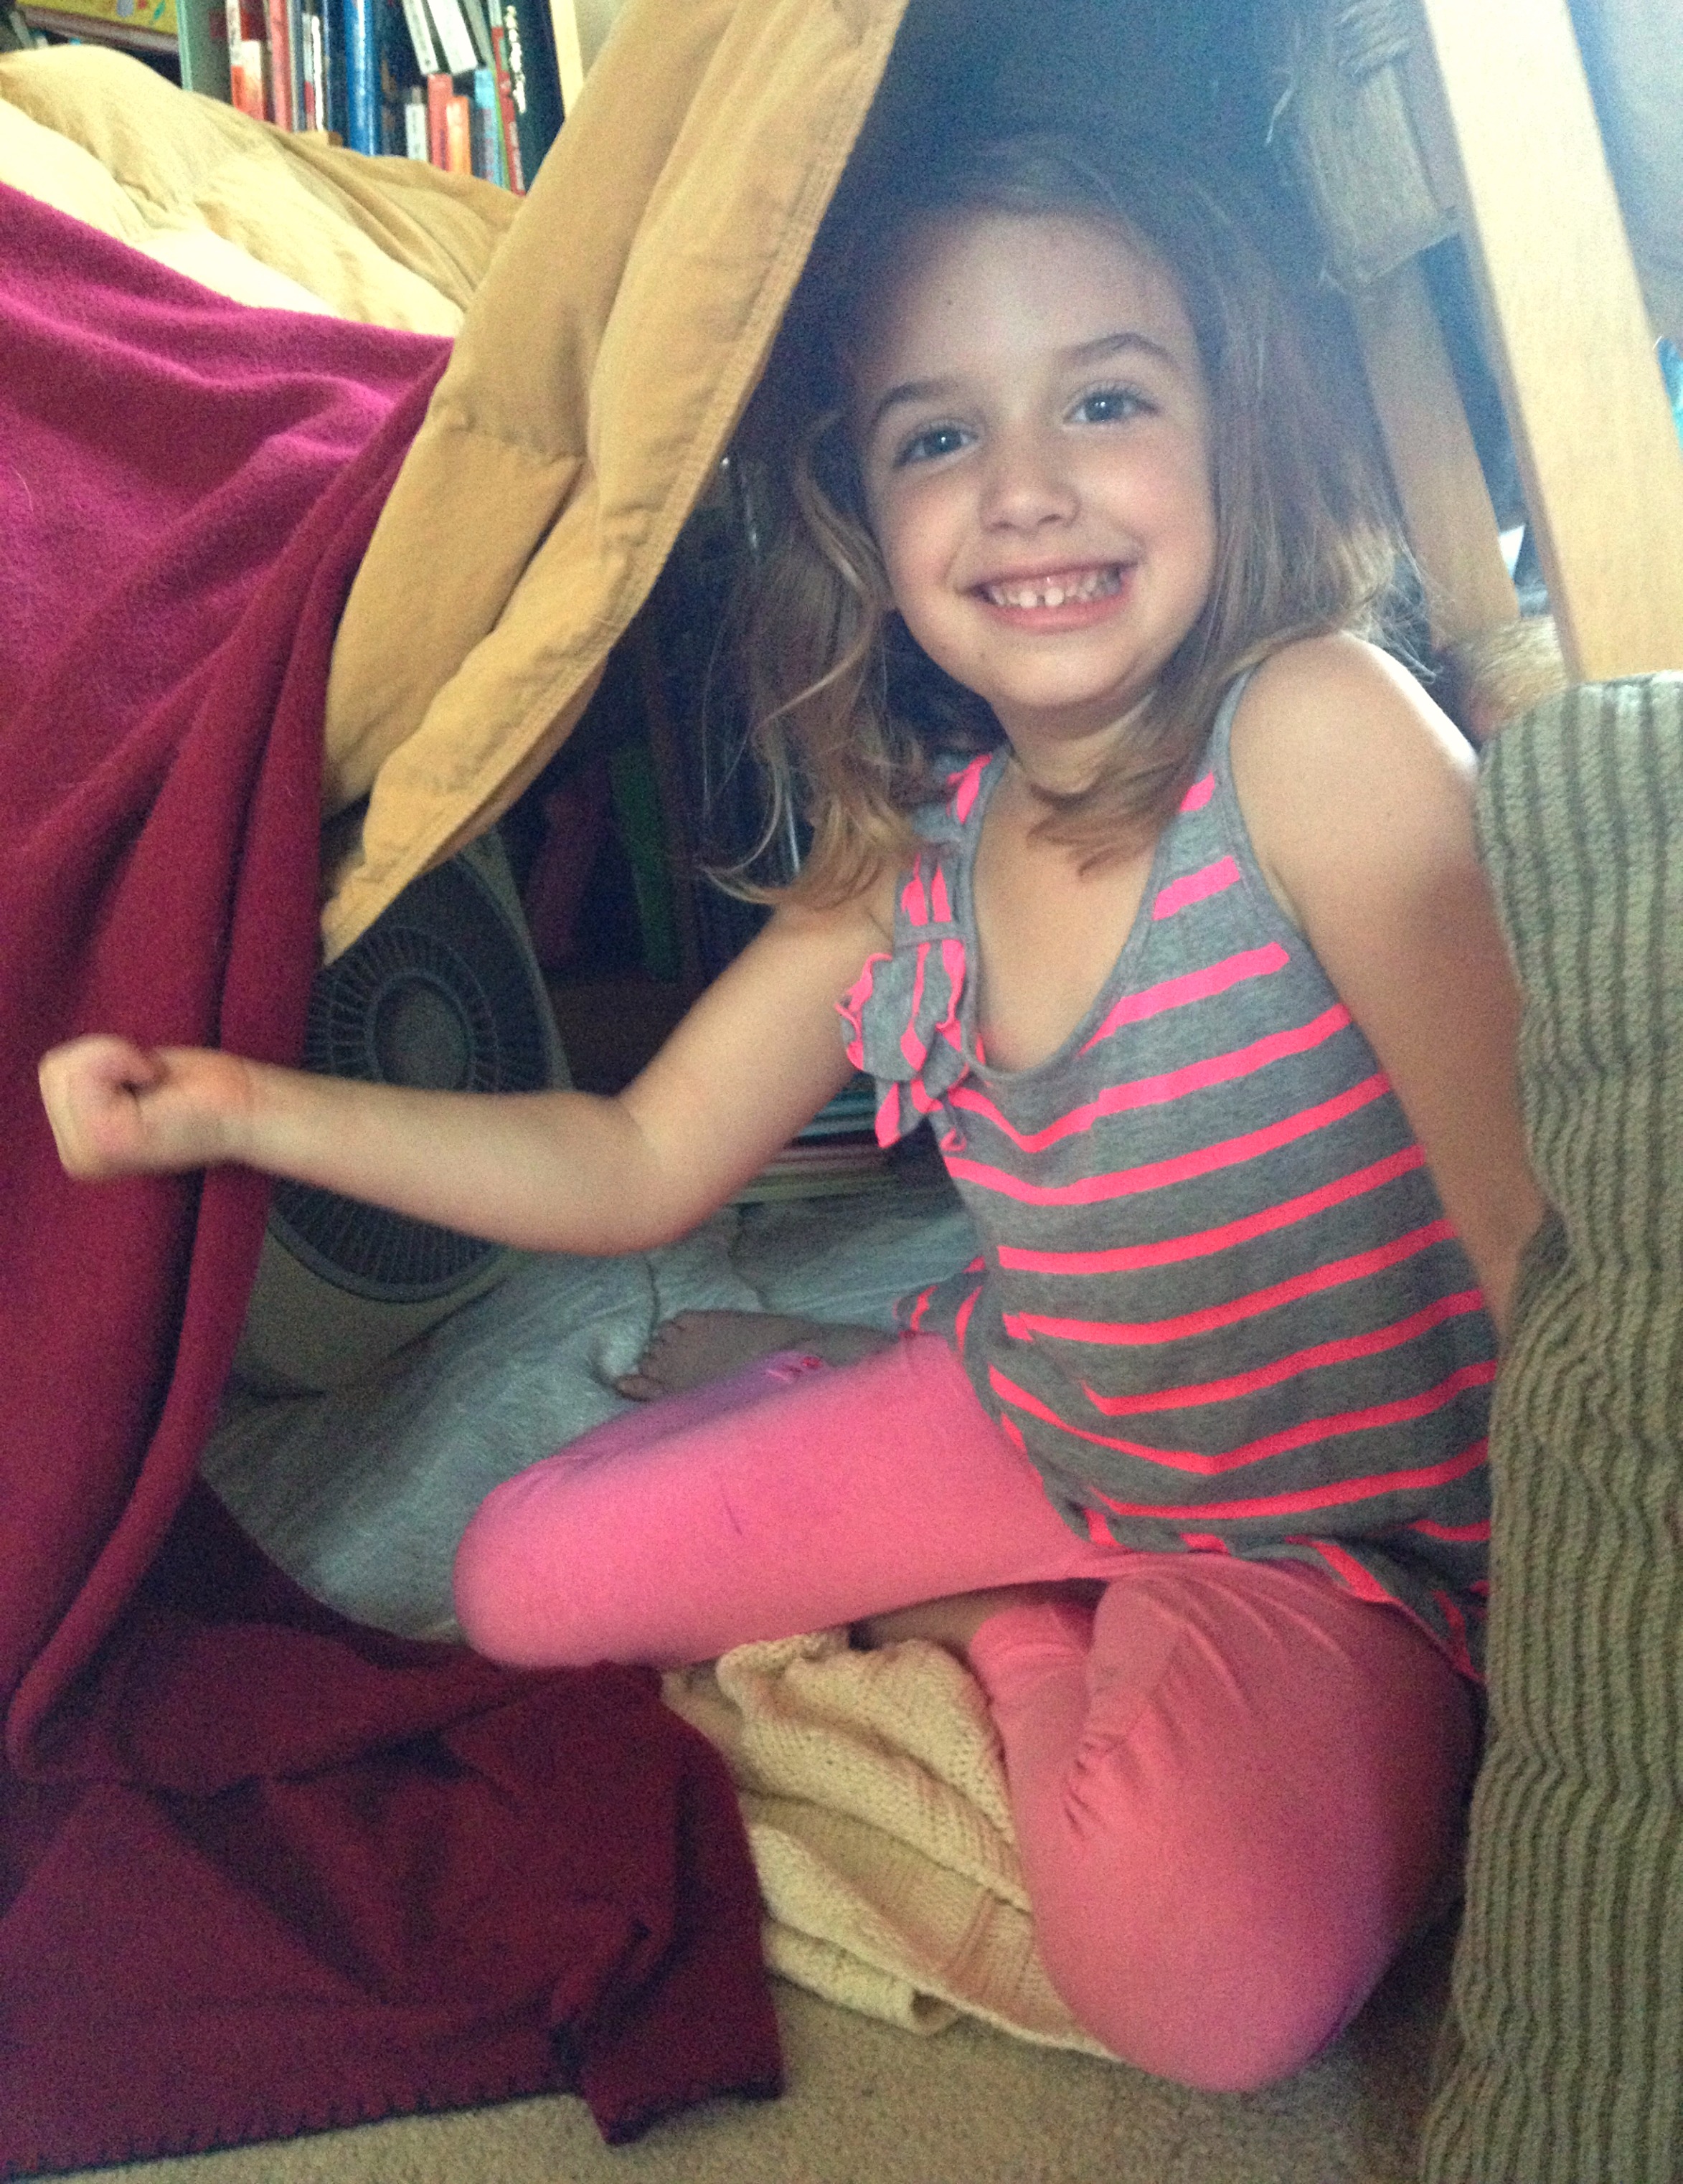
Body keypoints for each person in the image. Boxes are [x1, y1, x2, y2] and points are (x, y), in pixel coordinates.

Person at [39, 129, 1542, 2093]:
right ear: (863, 521)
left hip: (1352, 1546)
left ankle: (1014, 1621)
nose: (1024, 488)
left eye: (1104, 401)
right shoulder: (918, 862)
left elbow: (1549, 1250)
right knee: (513, 1583)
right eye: (939, 438)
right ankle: (997, 1562)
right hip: (1057, 1418)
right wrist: (245, 1108)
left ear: (1234, 431)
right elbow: (630, 1161)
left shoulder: (1322, 733)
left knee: (1208, 1988)